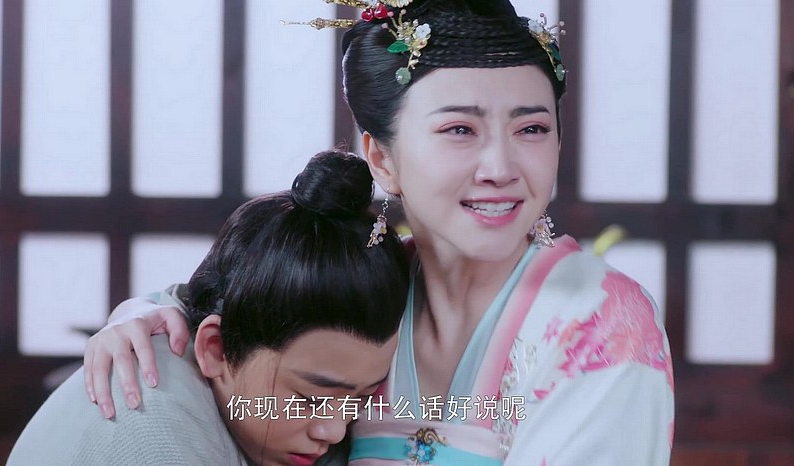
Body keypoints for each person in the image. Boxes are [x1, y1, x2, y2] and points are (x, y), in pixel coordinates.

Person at [84, 1, 675, 464]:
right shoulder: (375, 279)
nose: (500, 167)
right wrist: (141, 317)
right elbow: (236, 317)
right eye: (460, 130)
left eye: (532, 129)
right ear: (382, 158)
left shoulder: (605, 324)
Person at [8, 151, 410, 466]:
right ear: (214, 348)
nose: (334, 431)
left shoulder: (214, 350)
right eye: (310, 399)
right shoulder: (154, 427)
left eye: (360, 399)